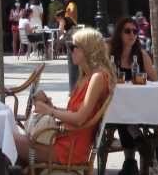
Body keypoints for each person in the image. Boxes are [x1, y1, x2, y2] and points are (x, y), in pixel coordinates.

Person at [15, 27, 112, 167]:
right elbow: (73, 113)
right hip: (62, 139)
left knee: (7, 139)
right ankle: (14, 172)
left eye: (73, 47)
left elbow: (79, 119)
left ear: (87, 49)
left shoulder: (97, 77)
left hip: (70, 149)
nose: (69, 50)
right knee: (8, 136)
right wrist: (50, 106)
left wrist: (50, 111)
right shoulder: (85, 77)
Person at [108, 17, 157, 175]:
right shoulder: (111, 55)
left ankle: (130, 161)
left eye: (135, 31)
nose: (132, 35)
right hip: (115, 105)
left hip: (140, 105)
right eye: (127, 31)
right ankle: (136, 144)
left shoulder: (142, 56)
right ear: (119, 34)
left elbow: (156, 80)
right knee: (122, 114)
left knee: (124, 116)